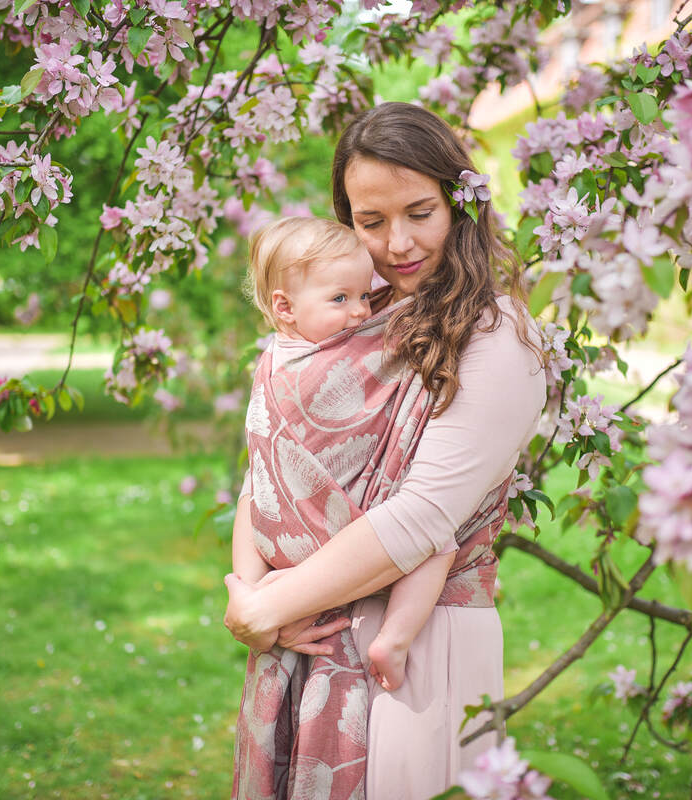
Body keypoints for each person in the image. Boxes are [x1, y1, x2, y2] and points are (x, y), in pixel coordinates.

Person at [225, 102, 547, 799]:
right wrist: (255, 595)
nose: (396, 243)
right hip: (305, 633)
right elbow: (272, 468)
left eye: (419, 212)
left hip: (421, 646)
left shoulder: (498, 338)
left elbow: (424, 516)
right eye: (370, 223)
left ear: (460, 204)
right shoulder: (342, 328)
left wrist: (264, 609)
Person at [235, 214, 458, 692]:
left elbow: (255, 484)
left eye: (363, 294)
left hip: (285, 560)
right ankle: (395, 639)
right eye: (340, 298)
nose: (361, 312)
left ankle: (262, 598)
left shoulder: (271, 361)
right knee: (439, 540)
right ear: (285, 307)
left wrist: (248, 589)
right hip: (343, 538)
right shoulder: (330, 363)